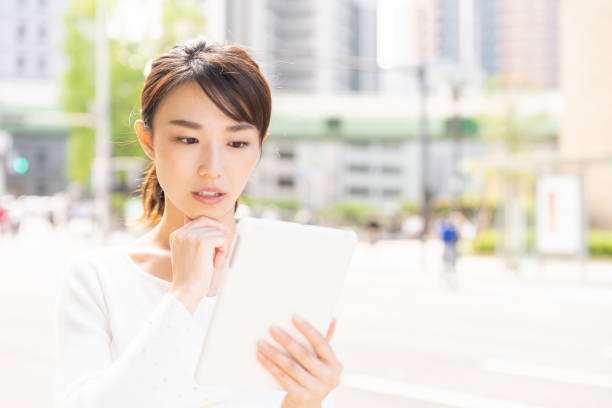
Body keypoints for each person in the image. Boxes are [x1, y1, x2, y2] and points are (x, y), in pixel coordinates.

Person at [55, 37, 342, 408]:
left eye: (236, 143)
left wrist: (306, 402)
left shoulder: (290, 276)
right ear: (148, 140)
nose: (212, 168)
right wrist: (184, 293)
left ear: (260, 146)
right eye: (188, 139)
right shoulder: (96, 281)